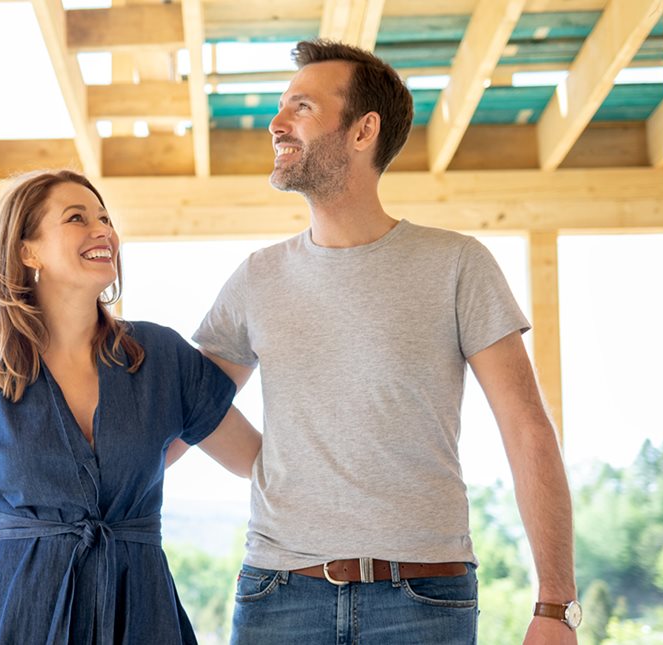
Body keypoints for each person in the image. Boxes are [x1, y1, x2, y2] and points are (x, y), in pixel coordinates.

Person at [190, 40, 579, 644]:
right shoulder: (256, 278)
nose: (276, 123)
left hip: (424, 599)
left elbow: (526, 429)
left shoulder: (456, 264)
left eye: (301, 107)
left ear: (362, 130)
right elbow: (186, 407)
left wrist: (556, 607)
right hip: (278, 597)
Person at [0, 169, 263, 645]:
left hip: (140, 611)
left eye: (105, 218)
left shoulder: (159, 357)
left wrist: (273, 568)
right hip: (11, 616)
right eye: (77, 218)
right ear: (28, 251)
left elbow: (258, 462)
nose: (102, 229)